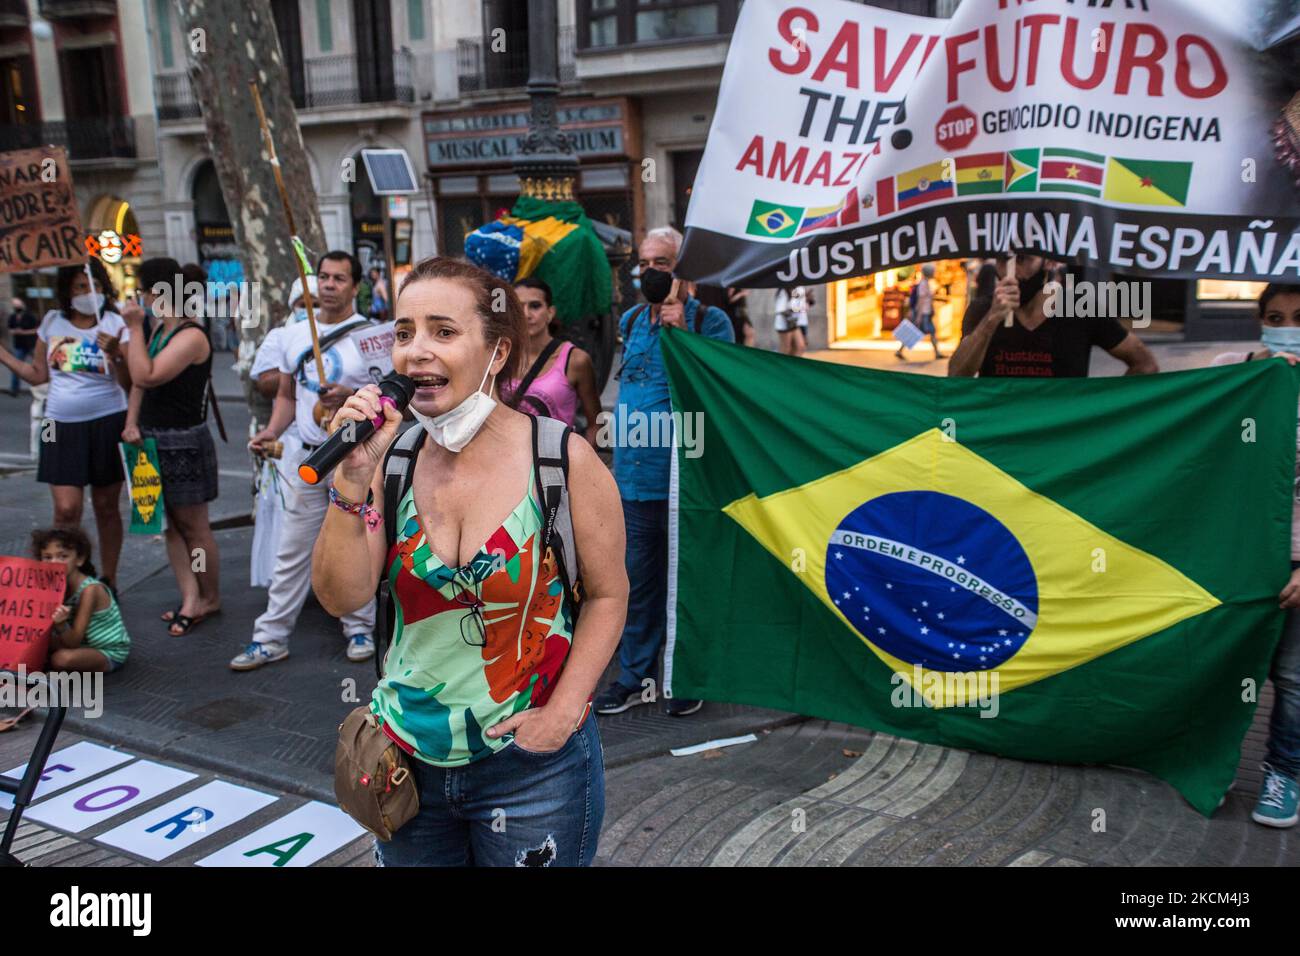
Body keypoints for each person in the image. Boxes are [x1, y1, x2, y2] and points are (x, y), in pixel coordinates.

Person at [311, 256, 627, 867]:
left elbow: (610, 596)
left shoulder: (563, 461)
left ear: (499, 352)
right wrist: (350, 482)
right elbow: (340, 596)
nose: (415, 352)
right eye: (404, 333)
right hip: (404, 758)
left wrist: (561, 715)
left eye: (444, 332)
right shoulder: (391, 460)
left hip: (534, 767)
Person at [594, 226, 735, 718]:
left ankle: (686, 674)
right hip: (632, 481)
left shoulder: (710, 320)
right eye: (646, 262)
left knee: (686, 581)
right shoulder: (632, 319)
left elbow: (721, 388)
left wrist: (683, 336)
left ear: (685, 270)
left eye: (663, 263)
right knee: (636, 580)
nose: (650, 271)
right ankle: (634, 677)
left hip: (683, 482)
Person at [234, 251, 377, 669]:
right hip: (305, 456)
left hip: (352, 455)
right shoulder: (294, 334)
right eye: (324, 278)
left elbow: (388, 398)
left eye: (339, 278)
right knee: (291, 548)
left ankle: (360, 626)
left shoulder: (370, 336)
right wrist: (272, 432)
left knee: (353, 539)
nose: (329, 285)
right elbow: (284, 394)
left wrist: (348, 394)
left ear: (355, 286)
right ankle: (271, 636)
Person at [1208, 283, 1300, 827]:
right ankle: (1214, 763)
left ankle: (1283, 773)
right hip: (1237, 554)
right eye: (1274, 315)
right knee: (1226, 667)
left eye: (1296, 316)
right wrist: (1255, 379)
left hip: (1294, 560)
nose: (1285, 323)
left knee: (1291, 679)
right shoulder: (1231, 368)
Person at [0, 260, 130, 591]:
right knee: (66, 509)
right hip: (57, 424)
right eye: (81, 287)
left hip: (109, 421)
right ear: (67, 292)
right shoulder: (52, 322)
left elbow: (131, 383)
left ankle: (108, 580)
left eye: (96, 287)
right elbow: (37, 375)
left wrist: (116, 354)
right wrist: (3, 354)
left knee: (105, 506)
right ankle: (64, 580)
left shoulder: (115, 323)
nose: (90, 294)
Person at [120, 257, 221, 636]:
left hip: (183, 441)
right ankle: (189, 596)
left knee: (193, 527)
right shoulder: (158, 328)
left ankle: (208, 596)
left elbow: (146, 373)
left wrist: (132, 329)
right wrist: (131, 423)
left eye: (143, 291)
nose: (140, 299)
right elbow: (138, 384)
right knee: (169, 525)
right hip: (150, 438)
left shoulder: (191, 335)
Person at [947, 253, 1159, 377]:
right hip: (999, 441)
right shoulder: (982, 309)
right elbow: (956, 375)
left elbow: (1145, 364)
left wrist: (1102, 413)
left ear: (1049, 262)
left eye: (1023, 259)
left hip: (1062, 444)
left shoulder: (1081, 309)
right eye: (1003, 261)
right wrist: (991, 320)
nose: (1012, 271)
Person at [247, 276, 314, 588]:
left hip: (333, 439)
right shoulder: (282, 336)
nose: (308, 310)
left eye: (314, 304)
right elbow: (264, 382)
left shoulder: (346, 333)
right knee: (290, 513)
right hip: (291, 441)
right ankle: (288, 583)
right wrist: (299, 367)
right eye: (303, 305)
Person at [502, 277, 603, 445]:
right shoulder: (500, 357)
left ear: (550, 312)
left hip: (554, 464)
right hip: (507, 462)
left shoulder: (575, 360)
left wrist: (578, 465)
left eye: (535, 306)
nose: (526, 314)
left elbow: (596, 424)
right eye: (519, 307)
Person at [34, 526, 130, 674]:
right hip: (80, 645)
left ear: (79, 559)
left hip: (107, 651)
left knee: (60, 659)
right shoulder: (52, 585)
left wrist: (60, 625)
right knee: (31, 643)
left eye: (63, 556)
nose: (55, 562)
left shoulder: (90, 590)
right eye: (47, 557)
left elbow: (73, 642)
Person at [898, 263, 942, 360]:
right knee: (921, 331)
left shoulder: (926, 282)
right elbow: (921, 301)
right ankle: (937, 353)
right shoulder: (923, 284)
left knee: (928, 331)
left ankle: (937, 352)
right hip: (923, 314)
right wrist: (918, 316)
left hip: (925, 313)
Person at [7, 297, 38, 396]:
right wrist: (14, 331)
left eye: (18, 305)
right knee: (16, 367)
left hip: (31, 345)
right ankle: (14, 389)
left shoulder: (29, 316)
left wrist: (23, 332)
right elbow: (10, 329)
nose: (16, 307)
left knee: (38, 366)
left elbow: (36, 329)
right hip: (19, 345)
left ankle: (42, 387)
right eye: (15, 306)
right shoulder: (12, 317)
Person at [774, 285, 812, 356]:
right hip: (784, 323)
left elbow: (795, 305)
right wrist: (802, 308)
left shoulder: (797, 288)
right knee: (786, 348)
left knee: (800, 346)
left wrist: (806, 301)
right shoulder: (784, 290)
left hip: (793, 323)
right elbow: (784, 309)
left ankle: (792, 365)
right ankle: (781, 365)